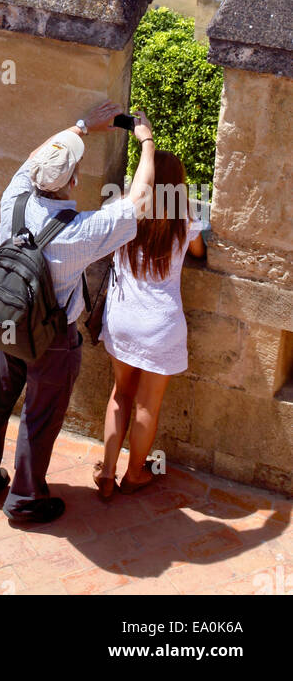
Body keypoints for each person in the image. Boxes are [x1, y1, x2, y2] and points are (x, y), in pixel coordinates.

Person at [0, 102, 156, 526]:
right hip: (52, 339)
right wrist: (146, 145)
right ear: (75, 180)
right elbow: (138, 201)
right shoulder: (81, 232)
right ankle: (26, 499)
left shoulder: (13, 199)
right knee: (40, 415)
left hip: (4, 321)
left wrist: (82, 126)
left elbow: (35, 159)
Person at [94, 151, 206, 498]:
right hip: (161, 324)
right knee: (147, 405)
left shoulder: (128, 208)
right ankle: (135, 474)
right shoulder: (188, 215)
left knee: (119, 396)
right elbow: (199, 253)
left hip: (123, 317)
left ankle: (107, 473)